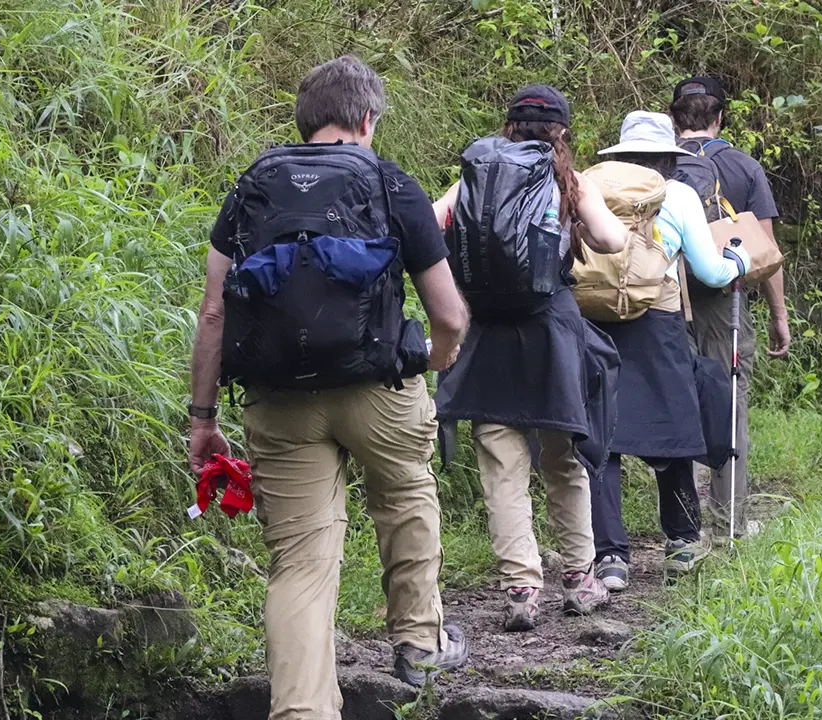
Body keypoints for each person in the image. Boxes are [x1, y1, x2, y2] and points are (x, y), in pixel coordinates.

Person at [187, 56, 471, 715]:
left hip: (280, 403)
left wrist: (203, 418)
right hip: (379, 388)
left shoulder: (253, 186)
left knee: (301, 564)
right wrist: (432, 358)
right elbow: (449, 315)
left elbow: (213, 312)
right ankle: (419, 645)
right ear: (368, 119)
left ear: (305, 121)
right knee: (404, 495)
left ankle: (303, 709)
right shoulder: (390, 183)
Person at [431, 85, 628, 632]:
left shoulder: (475, 174)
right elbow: (612, 241)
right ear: (561, 131)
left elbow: (429, 221)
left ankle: (520, 588)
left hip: (488, 331)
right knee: (564, 457)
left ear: (508, 125)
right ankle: (579, 577)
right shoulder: (567, 180)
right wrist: (579, 224)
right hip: (551, 333)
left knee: (500, 465)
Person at [585, 111, 750, 590]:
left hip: (595, 322)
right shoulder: (676, 194)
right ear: (667, 158)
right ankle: (680, 544)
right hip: (658, 321)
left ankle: (610, 557)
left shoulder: (590, 185)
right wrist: (737, 258)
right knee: (673, 428)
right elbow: (712, 271)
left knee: (602, 439)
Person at [669, 75, 792, 538]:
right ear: (720, 117)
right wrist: (779, 316)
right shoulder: (744, 167)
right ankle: (728, 522)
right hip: (726, 303)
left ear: (673, 118)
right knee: (729, 404)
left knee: (672, 400)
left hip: (661, 302)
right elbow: (766, 249)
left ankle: (679, 524)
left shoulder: (654, 166)